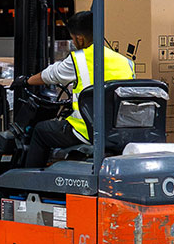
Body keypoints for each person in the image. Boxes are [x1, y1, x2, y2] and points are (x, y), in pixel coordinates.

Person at [13, 10, 134, 168]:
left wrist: (26, 81)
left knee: (41, 131)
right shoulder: (125, 61)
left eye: (73, 38)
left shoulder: (80, 59)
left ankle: (28, 183)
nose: (74, 42)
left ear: (80, 38)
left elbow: (52, 74)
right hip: (119, 131)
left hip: (87, 131)